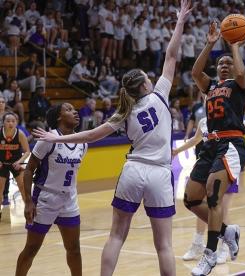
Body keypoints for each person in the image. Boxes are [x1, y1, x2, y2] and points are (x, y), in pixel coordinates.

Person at [33, 1, 193, 275]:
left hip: (133, 170)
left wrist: (55, 138)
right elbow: (171, 56)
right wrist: (179, 21)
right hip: (159, 174)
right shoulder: (160, 96)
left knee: (116, 236)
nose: (152, 79)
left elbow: (92, 135)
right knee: (164, 245)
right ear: (145, 84)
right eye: (147, 77)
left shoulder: (125, 111)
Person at [186, 20, 245, 276]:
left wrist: (234, 47)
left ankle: (210, 255)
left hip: (232, 143)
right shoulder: (210, 86)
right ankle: (228, 231)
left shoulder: (237, 85)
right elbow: (194, 73)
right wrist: (210, 44)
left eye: (228, 64)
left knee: (213, 194)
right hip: (210, 145)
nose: (224, 66)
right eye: (220, 63)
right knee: (191, 200)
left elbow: (243, 75)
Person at [176, 116, 245, 264]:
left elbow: (240, 124)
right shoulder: (203, 121)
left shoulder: (226, 115)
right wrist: (177, 151)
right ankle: (197, 244)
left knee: (220, 208)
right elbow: (196, 139)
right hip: (207, 166)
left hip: (226, 164)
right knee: (200, 206)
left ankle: (224, 248)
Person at [16, 103, 85, 276]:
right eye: (69, 109)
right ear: (59, 117)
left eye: (74, 109)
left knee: (74, 249)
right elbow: (29, 169)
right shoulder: (48, 139)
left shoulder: (83, 142)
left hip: (69, 199)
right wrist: (28, 201)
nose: (75, 111)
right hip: (45, 199)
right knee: (31, 249)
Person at [0, 112, 30, 220]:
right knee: (0, 188)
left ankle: (28, 210)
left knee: (22, 187)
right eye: (8, 121)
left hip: (16, 163)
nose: (10, 123)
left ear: (16, 122)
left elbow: (27, 151)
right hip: (2, 163)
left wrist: (19, 162)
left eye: (13, 121)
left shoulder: (20, 134)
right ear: (3, 122)